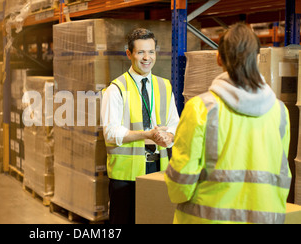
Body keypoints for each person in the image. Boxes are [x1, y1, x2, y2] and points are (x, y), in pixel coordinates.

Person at [164, 23, 292, 224]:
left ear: (218, 58)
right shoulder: (280, 112)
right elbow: (282, 175)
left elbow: (181, 180)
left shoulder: (201, 109)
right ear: (257, 58)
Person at [101, 28, 180, 224]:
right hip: (125, 175)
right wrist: (147, 135)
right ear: (129, 54)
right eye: (141, 52)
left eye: (151, 52)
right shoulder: (116, 89)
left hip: (157, 168)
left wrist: (168, 137)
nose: (147, 58)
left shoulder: (164, 86)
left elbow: (174, 124)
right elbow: (111, 133)